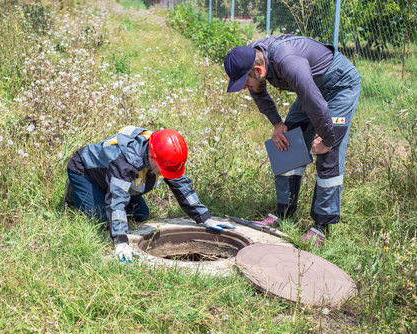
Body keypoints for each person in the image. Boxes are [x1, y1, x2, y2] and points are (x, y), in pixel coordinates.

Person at [224, 34, 361, 246]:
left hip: (339, 86)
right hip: (310, 89)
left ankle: (321, 228)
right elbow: (258, 90)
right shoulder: (251, 57)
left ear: (259, 71)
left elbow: (317, 105)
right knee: (287, 141)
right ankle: (283, 215)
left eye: (245, 83)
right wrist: (277, 123)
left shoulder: (289, 63)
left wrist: (326, 138)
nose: (244, 88)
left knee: (327, 152)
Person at [65, 126, 235, 261]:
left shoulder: (165, 152)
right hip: (86, 172)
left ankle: (101, 195)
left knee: (141, 214)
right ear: (152, 157)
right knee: (101, 219)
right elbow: (117, 199)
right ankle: (75, 193)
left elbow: (182, 186)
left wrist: (205, 217)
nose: (164, 174)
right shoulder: (127, 160)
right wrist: (120, 242)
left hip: (113, 178)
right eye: (162, 170)